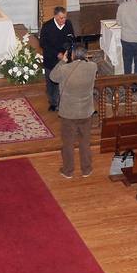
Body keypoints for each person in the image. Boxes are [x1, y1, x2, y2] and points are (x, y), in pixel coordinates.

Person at [51, 42, 97, 179]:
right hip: (86, 111)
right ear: (85, 54)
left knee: (68, 143)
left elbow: (52, 77)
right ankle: (86, 169)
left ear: (72, 54)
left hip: (68, 113)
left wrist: (63, 61)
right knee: (85, 142)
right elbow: (88, 62)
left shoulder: (65, 69)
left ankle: (68, 170)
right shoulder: (93, 67)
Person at [38, 6, 75, 111]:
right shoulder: (47, 26)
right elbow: (43, 44)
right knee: (51, 82)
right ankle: (53, 102)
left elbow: (71, 38)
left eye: (64, 17)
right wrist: (57, 54)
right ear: (55, 16)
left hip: (65, 58)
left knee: (63, 80)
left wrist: (67, 50)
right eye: (61, 18)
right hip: (51, 58)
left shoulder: (68, 24)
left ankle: (61, 101)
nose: (63, 20)